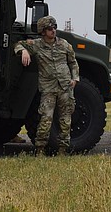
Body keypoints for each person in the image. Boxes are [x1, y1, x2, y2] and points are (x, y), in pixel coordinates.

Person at [14, 16, 79, 155]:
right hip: (48, 88)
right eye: (50, 28)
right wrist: (24, 51)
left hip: (65, 87)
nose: (53, 31)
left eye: (55, 27)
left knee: (66, 119)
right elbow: (18, 44)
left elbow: (73, 62)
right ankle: (40, 149)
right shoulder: (36, 45)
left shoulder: (64, 44)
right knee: (46, 119)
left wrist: (75, 78)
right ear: (43, 31)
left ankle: (63, 150)